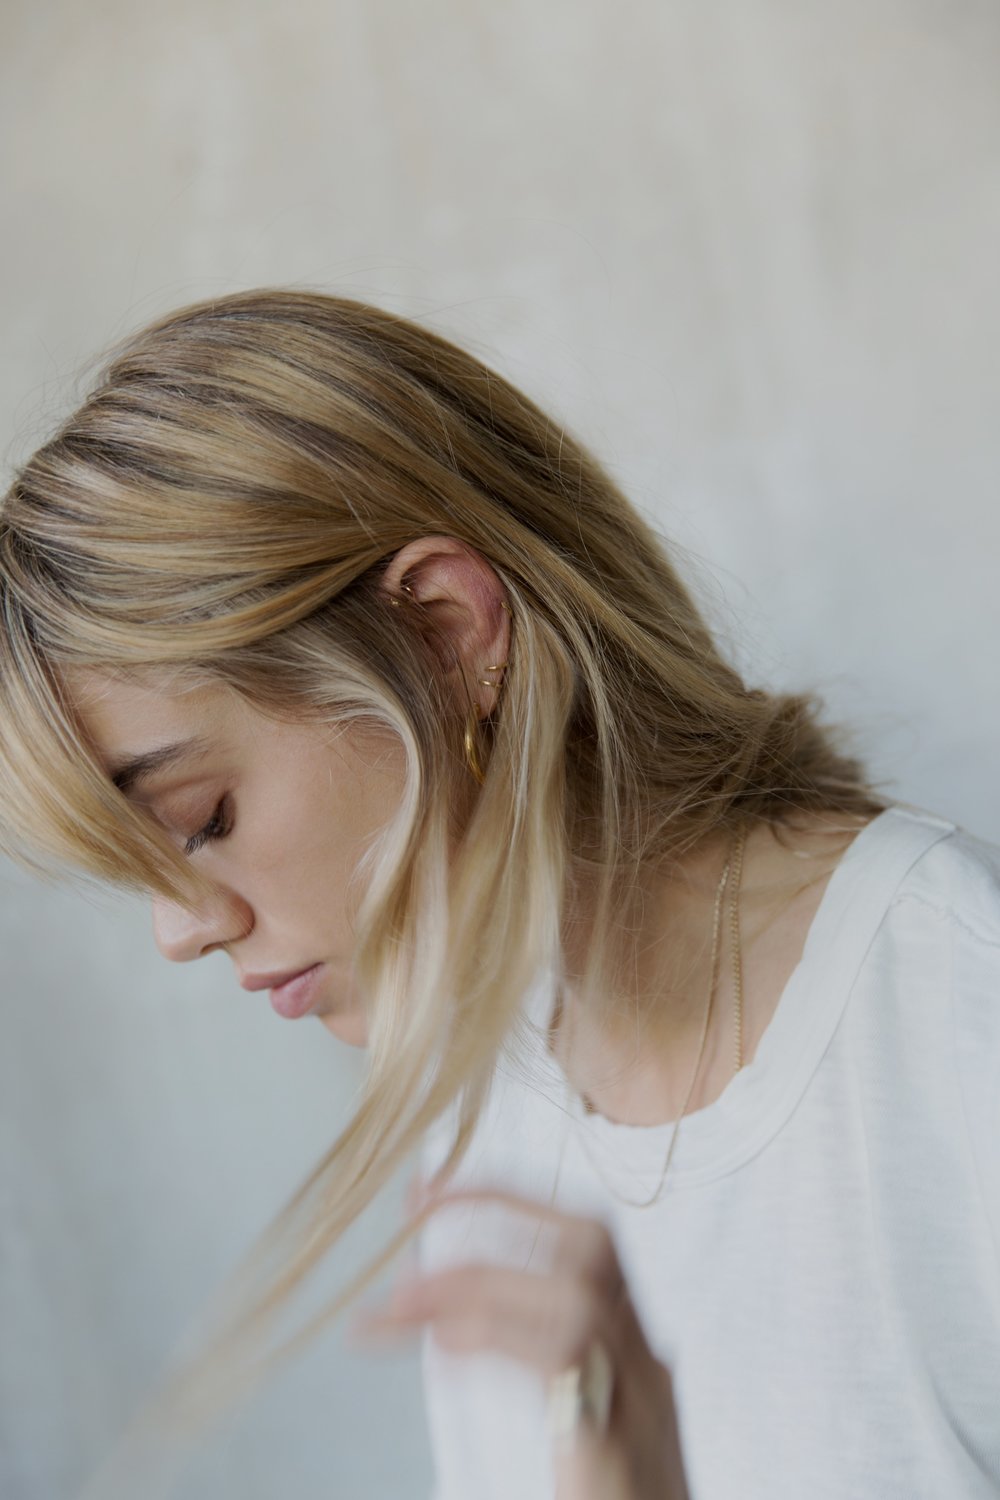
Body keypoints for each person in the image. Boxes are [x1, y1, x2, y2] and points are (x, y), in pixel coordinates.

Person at [0, 289, 997, 1500]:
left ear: (443, 632)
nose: (179, 931)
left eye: (200, 820)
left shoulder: (948, 997)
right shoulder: (485, 1094)